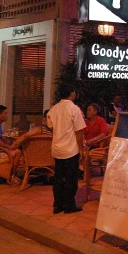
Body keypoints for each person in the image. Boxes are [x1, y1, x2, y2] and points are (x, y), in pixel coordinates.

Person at [47, 85, 86, 214]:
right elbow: (79, 131)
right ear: (72, 93)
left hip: (57, 149)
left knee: (58, 178)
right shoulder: (74, 109)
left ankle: (58, 205)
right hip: (70, 150)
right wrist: (81, 149)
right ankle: (69, 205)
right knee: (71, 178)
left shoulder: (53, 109)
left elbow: (51, 127)